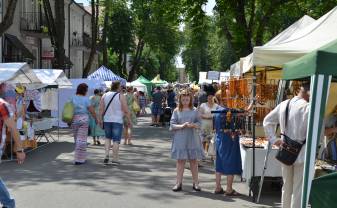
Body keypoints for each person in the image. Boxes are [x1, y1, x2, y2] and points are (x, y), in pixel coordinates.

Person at [263, 82, 310, 208]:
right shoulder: (308, 107)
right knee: (298, 189)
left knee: (287, 186)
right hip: (303, 152)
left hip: (285, 150)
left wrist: (274, 139)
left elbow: (266, 121)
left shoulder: (284, 104)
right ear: (309, 92)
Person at [170, 90, 204, 192]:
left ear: (190, 99)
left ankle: (196, 183)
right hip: (180, 138)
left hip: (192, 138)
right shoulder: (176, 111)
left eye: (187, 99)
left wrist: (193, 125)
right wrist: (182, 126)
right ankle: (178, 183)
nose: (185, 101)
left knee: (193, 161)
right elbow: (172, 124)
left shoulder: (195, 110)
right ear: (180, 99)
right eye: (183, 99)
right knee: (180, 161)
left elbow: (200, 123)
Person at [0, 83, 26, 208]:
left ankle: (9, 203)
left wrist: (19, 149)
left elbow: (13, 127)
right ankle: (9, 203)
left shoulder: (2, 105)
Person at [213, 99, 242, 196]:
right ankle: (229, 189)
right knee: (231, 162)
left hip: (219, 138)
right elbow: (242, 114)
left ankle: (218, 187)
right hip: (229, 139)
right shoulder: (227, 110)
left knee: (219, 163)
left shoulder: (217, 109)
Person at [100, 81, 131, 165]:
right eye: (120, 86)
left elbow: (101, 109)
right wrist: (129, 120)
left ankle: (106, 155)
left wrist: (100, 120)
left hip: (107, 120)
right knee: (116, 140)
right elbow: (125, 109)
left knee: (107, 138)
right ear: (118, 87)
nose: (121, 88)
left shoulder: (104, 95)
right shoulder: (120, 96)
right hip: (117, 120)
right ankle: (115, 159)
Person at [71, 83, 99, 165]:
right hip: (84, 120)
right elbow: (92, 111)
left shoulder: (72, 98)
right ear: (84, 90)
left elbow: (69, 110)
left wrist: (69, 120)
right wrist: (96, 119)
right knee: (82, 140)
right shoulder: (86, 99)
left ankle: (78, 157)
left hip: (75, 119)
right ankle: (80, 158)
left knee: (77, 139)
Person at [199, 85, 218, 155]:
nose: (210, 98)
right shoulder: (203, 105)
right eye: (208, 97)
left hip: (213, 126)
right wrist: (207, 117)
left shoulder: (216, 106)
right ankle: (202, 154)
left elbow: (218, 115)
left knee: (211, 141)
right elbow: (199, 115)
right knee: (203, 141)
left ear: (213, 97)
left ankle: (210, 154)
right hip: (204, 125)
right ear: (206, 97)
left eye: (211, 96)